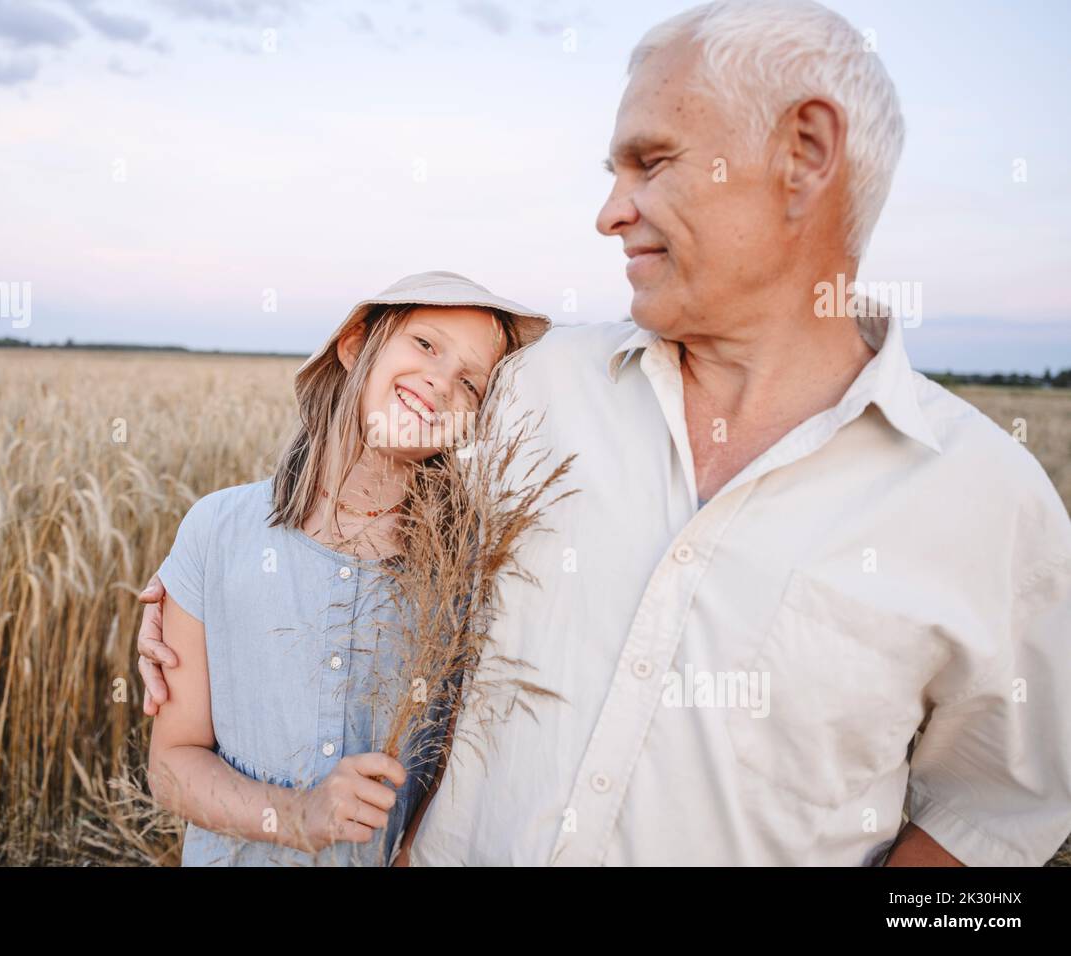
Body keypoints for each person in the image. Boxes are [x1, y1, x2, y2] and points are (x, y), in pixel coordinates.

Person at [142, 0, 1071, 866]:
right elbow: (371, 467)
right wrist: (202, 581)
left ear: (805, 151)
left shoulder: (989, 507)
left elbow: (992, 818)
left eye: (652, 161)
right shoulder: (534, 389)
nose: (608, 212)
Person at [144, 270, 548, 865]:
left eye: (471, 383)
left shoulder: (473, 569)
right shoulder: (217, 530)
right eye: (426, 344)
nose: (439, 381)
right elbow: (171, 765)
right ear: (357, 344)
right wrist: (299, 817)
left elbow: (463, 767)